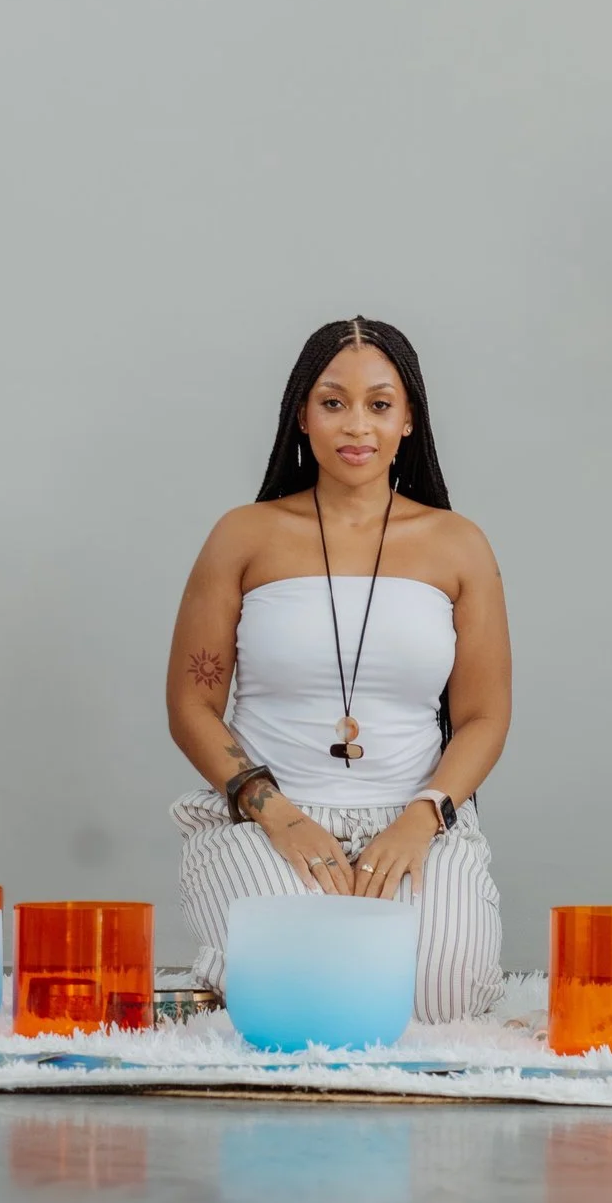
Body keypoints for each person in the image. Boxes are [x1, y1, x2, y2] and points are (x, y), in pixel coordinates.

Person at [166, 316, 512, 1022]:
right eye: (333, 402)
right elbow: (191, 704)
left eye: (380, 404)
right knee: (305, 989)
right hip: (265, 818)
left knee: (438, 998)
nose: (357, 426)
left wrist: (424, 818)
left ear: (409, 418)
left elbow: (484, 716)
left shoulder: (459, 546)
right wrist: (278, 815)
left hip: (418, 818)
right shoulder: (243, 535)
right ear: (302, 414)